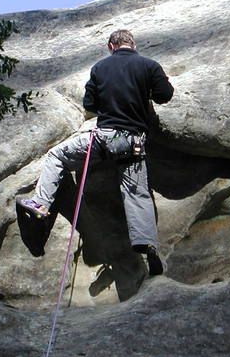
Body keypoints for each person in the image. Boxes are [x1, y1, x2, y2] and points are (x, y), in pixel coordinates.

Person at [17, 29, 174, 276]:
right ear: (133, 45)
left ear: (111, 46)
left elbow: (90, 104)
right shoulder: (149, 66)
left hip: (103, 139)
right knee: (137, 194)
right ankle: (146, 244)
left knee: (57, 156)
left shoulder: (100, 68)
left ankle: (40, 202)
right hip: (132, 142)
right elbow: (164, 96)